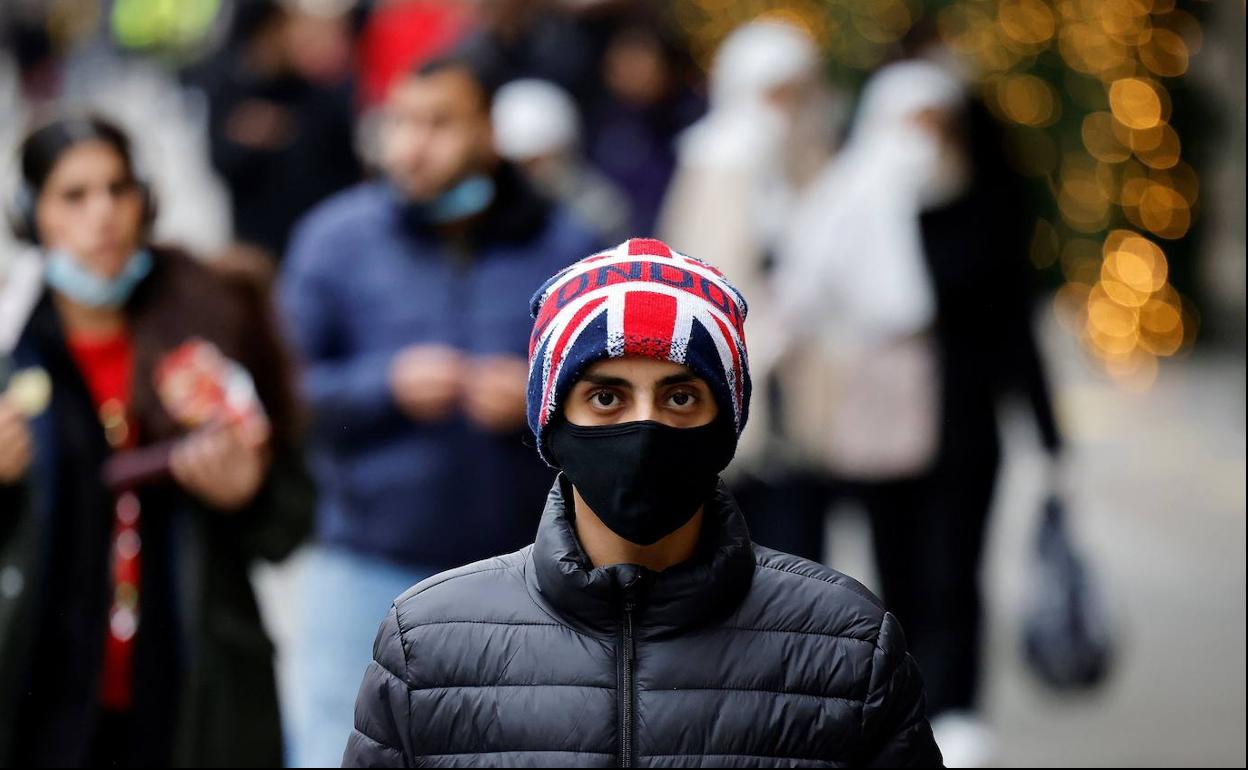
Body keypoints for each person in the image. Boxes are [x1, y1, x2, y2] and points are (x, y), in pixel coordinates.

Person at [342, 237, 943, 768]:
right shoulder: (427, 647)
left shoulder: (846, 645)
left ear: (727, 423)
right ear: (551, 422)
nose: (645, 430)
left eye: (680, 398)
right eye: (607, 397)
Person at [278, 53, 600, 768]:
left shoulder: (566, 244)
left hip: (522, 570)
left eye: (439, 123)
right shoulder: (336, 238)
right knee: (336, 748)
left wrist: (532, 400)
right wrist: (384, 385)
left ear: (489, 134)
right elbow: (286, 392)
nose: (413, 145)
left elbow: (611, 397)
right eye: (401, 123)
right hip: (364, 558)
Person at [775, 59, 1064, 766]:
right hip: (877, 424)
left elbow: (1015, 327)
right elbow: (804, 300)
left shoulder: (985, 204)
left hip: (965, 427)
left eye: (937, 124)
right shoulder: (852, 205)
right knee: (892, 573)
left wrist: (1052, 437)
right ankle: (904, 712)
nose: (923, 141)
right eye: (911, 123)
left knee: (955, 574)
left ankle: (959, 712)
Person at [0, 115, 313, 766]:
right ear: (31, 216)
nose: (104, 214)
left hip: (192, 697)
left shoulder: (210, 318)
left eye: (119, 189)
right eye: (74, 195)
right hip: (41, 699)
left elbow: (289, 524)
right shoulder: (10, 350)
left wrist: (248, 494)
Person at [492, 77, 631, 244]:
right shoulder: (495, 220)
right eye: (521, 165)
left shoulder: (600, 212)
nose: (532, 174)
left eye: (537, 161)